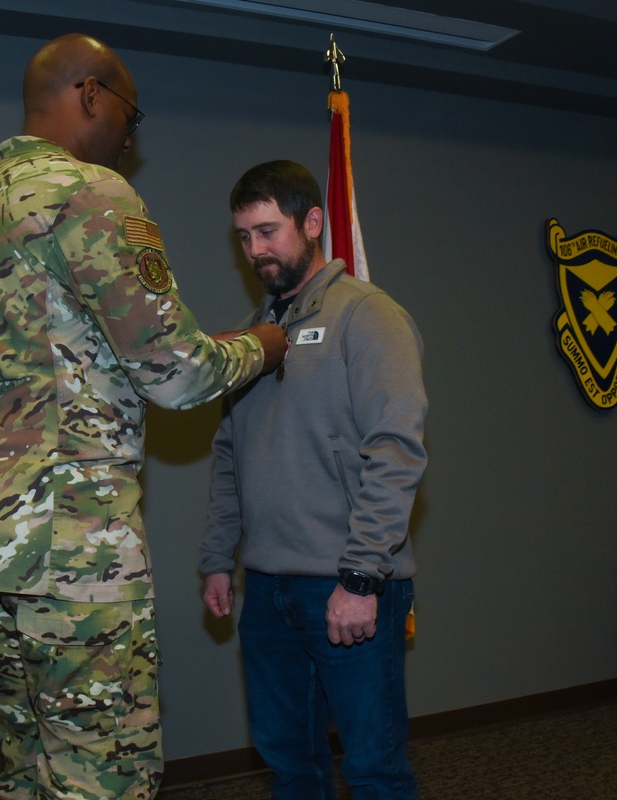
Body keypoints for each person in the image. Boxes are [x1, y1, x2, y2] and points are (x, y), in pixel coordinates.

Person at [0, 34, 287, 800]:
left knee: (29, 770)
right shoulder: (88, 192)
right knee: (104, 777)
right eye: (132, 113)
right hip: (70, 548)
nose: (133, 136)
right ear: (91, 93)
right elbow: (177, 373)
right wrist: (262, 345)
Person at [200, 160, 428, 800]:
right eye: (244, 236)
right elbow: (229, 453)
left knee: (374, 770)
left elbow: (397, 450)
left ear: (314, 223)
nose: (255, 250)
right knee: (291, 766)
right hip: (268, 592)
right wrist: (219, 556)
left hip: (348, 588)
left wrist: (360, 577)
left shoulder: (368, 316)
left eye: (268, 231)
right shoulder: (253, 335)